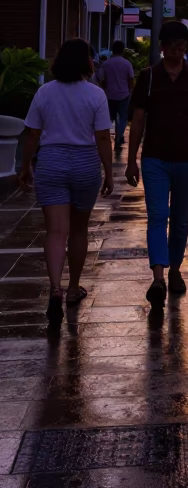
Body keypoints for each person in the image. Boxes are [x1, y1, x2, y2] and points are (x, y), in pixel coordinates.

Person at [19, 39, 114, 323]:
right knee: (79, 229)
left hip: (51, 161)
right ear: (87, 61)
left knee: (55, 231)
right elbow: (101, 137)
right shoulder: (96, 95)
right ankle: (73, 288)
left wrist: (25, 165)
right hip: (85, 163)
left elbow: (33, 134)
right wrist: (109, 171)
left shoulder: (44, 92)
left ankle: (55, 289)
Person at [126, 21, 188, 308]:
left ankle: (175, 268)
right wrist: (131, 159)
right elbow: (138, 120)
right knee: (156, 216)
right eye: (173, 48)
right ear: (162, 48)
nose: (178, 54)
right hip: (154, 159)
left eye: (182, 48)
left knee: (179, 221)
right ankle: (158, 278)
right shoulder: (148, 77)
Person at [97, 40, 134, 150]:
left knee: (108, 118)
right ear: (123, 50)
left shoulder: (106, 64)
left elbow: (101, 79)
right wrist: (130, 91)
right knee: (123, 118)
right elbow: (130, 80)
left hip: (109, 95)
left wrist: (105, 88)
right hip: (123, 95)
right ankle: (119, 137)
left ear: (112, 50)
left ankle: (106, 138)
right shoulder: (127, 64)